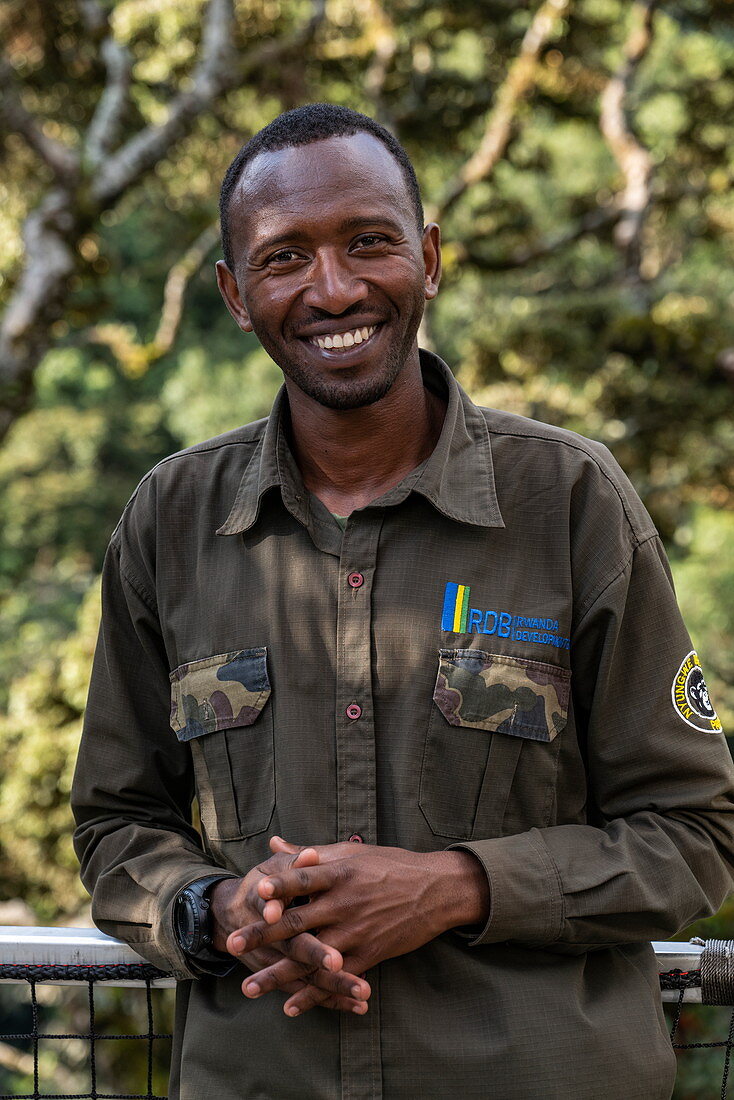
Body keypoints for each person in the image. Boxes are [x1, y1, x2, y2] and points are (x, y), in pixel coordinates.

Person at [71, 103, 734, 1100]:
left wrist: (455, 885)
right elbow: (117, 824)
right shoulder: (171, 519)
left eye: (368, 242)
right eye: (283, 257)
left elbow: (693, 835)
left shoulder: (568, 499)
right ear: (235, 294)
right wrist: (215, 906)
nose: (332, 288)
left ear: (427, 257)